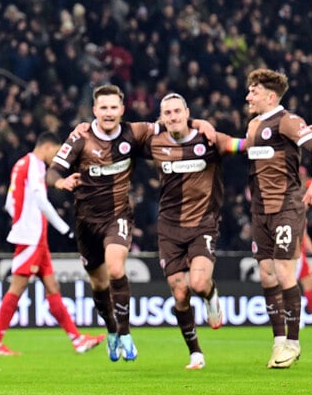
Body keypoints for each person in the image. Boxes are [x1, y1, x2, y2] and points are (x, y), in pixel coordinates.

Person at [46, 85, 215, 363]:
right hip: (86, 221)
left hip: (118, 216)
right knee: (99, 285)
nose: (109, 113)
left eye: (114, 108)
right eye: (104, 108)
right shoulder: (80, 138)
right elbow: (53, 170)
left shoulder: (135, 132)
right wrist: (61, 181)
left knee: (116, 267)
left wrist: (201, 122)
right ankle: (112, 330)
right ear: (95, 110)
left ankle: (125, 333)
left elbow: (172, 122)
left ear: (122, 110)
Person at [144, 93, 245, 369]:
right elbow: (120, 140)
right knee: (179, 294)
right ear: (162, 118)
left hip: (203, 224)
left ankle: (211, 296)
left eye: (178, 111)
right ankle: (195, 353)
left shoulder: (209, 139)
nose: (173, 116)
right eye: (168, 113)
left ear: (187, 112)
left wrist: (272, 138)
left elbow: (243, 145)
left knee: (198, 284)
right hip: (169, 227)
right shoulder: (154, 142)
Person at [0, 131, 106, 357]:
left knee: (53, 288)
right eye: (58, 151)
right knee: (17, 288)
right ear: (49, 147)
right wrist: (64, 229)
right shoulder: (35, 165)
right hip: (30, 237)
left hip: (35, 236)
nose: (58, 157)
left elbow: (10, 203)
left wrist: (21, 220)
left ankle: (77, 340)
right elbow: (41, 200)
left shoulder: (21, 164)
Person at [244, 69, 312, 369]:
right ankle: (278, 340)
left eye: (253, 92)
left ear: (270, 96)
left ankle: (293, 343)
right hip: (259, 210)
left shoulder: (288, 121)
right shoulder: (253, 125)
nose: (247, 97)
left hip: (287, 206)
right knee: (266, 273)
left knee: (283, 272)